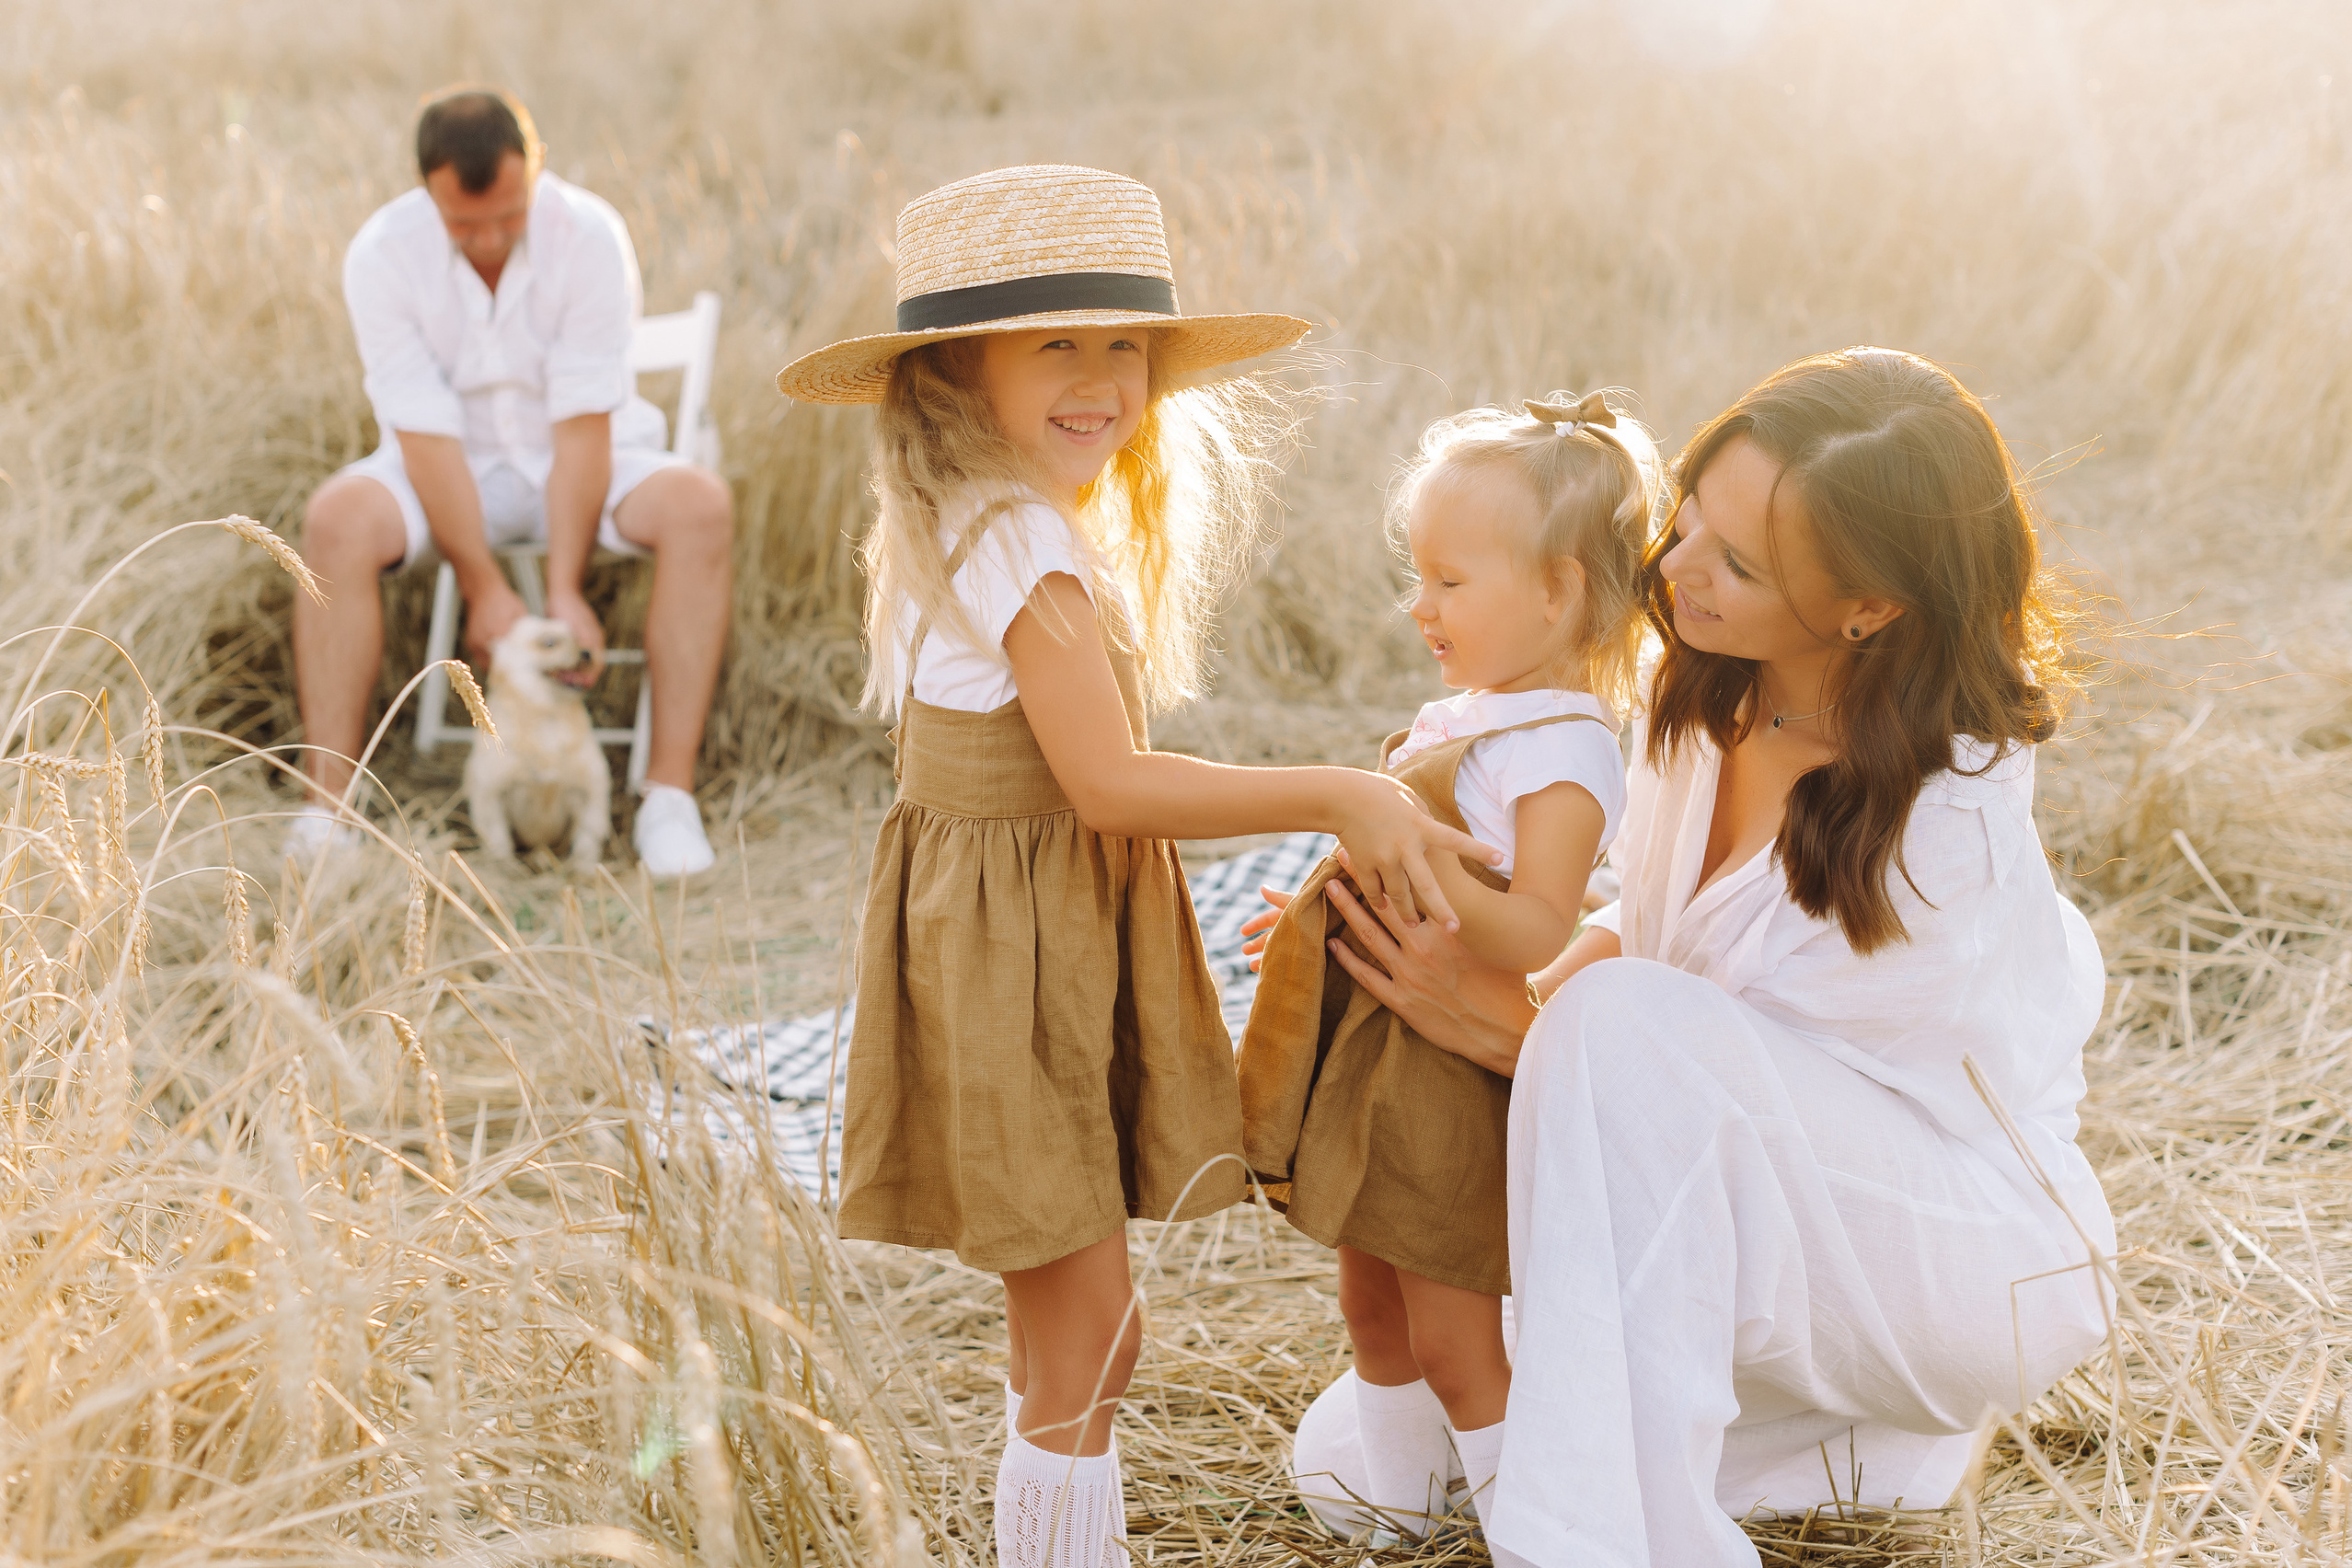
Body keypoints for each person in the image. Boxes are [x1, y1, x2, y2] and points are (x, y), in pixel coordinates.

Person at [1261, 349, 2116, 1566]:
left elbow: (1713, 1080)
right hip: (1745, 1191)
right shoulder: (1699, 690)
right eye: (1689, 523)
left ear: (1871, 605)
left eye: (1739, 564)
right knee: (1364, 1458)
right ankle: (1846, 1440)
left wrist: (1522, 1025)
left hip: (1941, 1247)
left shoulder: (1943, 823)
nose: (1674, 573)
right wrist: (1437, 951)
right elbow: (1653, 929)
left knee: (1610, 1036)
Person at [772, 164, 1502, 1568]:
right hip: (1013, 957)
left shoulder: (976, 514)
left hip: (1014, 936)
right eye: (1056, 341)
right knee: (1092, 1336)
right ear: (955, 368)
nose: (1102, 375)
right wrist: (1342, 794)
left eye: (1124, 341)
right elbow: (1107, 788)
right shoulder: (1022, 540)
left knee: (1066, 1334)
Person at [1234, 390, 1654, 1542]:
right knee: (1370, 1300)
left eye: (1449, 582)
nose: (1419, 605)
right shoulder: (1481, 714)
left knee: (1459, 1338)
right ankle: (1401, 1517)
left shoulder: (1565, 752)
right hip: (1388, 1049)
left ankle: (1540, 1533)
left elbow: (1532, 929)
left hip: (1448, 1071)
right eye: (1418, 576)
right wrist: (1336, 908)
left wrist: (1415, 874)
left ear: (1559, 590)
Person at [288, 86, 734, 877]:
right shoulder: (383, 253)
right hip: (442, 467)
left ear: (536, 173)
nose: (491, 238)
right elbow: (424, 437)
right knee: (335, 520)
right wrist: (484, 584)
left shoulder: (590, 234)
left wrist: (564, 589)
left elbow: (583, 426)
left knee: (701, 505)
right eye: (466, 224)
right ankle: (330, 814)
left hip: (584, 457)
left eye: (510, 214)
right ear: (428, 192)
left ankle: (669, 799)